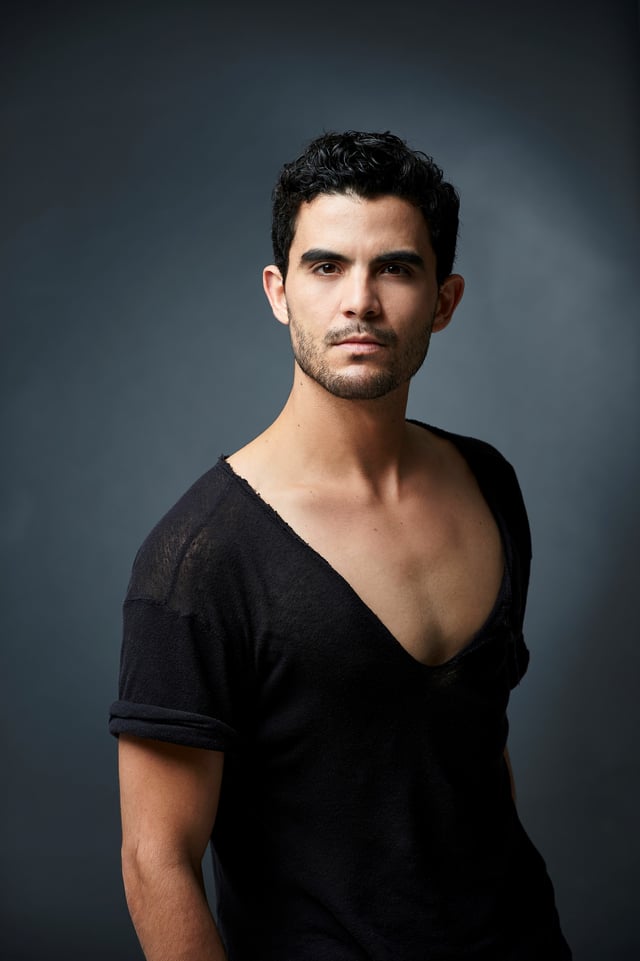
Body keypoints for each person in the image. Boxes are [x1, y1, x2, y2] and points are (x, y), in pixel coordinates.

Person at [110, 130, 571, 960]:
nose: (360, 300)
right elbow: (156, 861)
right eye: (326, 266)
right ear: (279, 292)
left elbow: (469, 743)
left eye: (395, 268)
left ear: (444, 300)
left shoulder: (489, 482)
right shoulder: (199, 560)